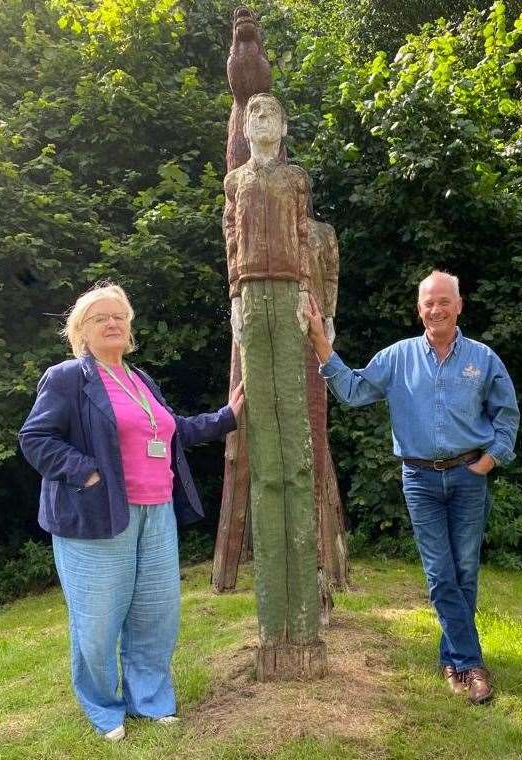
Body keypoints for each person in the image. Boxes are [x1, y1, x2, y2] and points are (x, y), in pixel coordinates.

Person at [19, 283, 243, 740]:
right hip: (96, 517)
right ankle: (103, 707)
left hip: (156, 513)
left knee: (155, 614)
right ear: (81, 330)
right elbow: (35, 438)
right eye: (100, 317)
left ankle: (150, 700)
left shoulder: (141, 379)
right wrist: (87, 472)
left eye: (119, 315)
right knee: (98, 621)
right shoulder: (67, 378)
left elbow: (172, 429)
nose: (112, 323)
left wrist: (227, 416)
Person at [306, 270, 519, 703]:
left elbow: (507, 414)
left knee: (465, 572)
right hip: (419, 478)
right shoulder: (398, 357)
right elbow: (352, 389)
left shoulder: (483, 358)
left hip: (467, 476)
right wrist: (319, 343)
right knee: (441, 573)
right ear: (419, 308)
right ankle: (472, 665)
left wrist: (492, 458)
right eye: (428, 302)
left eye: (444, 301)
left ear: (459, 305)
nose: (436, 309)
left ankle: (452, 659)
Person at [223, 93, 320, 661]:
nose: (262, 122)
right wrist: (236, 293)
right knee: (262, 433)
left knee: (293, 422)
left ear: (283, 126)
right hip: (251, 295)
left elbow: (305, 237)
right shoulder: (236, 181)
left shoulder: (295, 178)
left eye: (270, 115)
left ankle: (305, 622)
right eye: (253, 115)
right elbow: (232, 236)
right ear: (247, 127)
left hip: (287, 291)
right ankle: (272, 625)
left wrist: (306, 292)